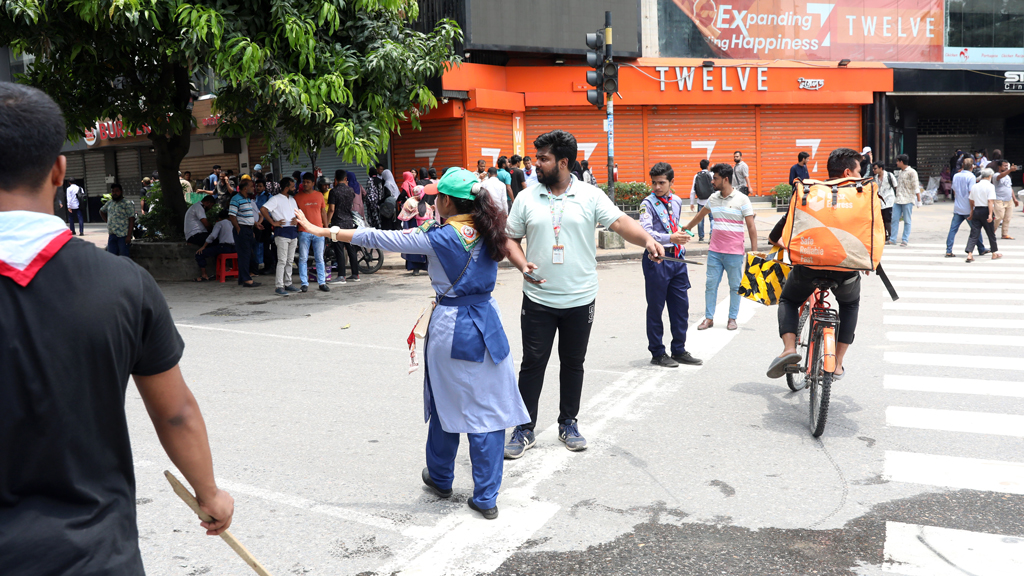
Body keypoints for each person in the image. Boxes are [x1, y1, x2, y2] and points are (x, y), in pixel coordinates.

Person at [0, 80, 233, 575]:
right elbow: (175, 413)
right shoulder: (124, 285)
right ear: (60, 170)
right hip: (94, 555)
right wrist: (209, 494)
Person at [294, 167, 529, 520]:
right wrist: (525, 266)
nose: (433, 202)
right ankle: (486, 496)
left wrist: (322, 230)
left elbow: (378, 238)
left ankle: (440, 476)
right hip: (489, 324)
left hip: (453, 327)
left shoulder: (439, 237)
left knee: (446, 403)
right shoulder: (488, 227)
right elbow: (510, 244)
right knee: (490, 411)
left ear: (447, 200)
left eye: (437, 198)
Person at [503, 130, 665, 458]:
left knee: (573, 362)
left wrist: (647, 239)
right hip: (538, 299)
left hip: (580, 298)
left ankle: (568, 422)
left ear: (563, 162)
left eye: (543, 158)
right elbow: (510, 238)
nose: (536, 164)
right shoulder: (526, 198)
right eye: (537, 158)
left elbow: (620, 223)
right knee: (533, 362)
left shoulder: (590, 196)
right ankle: (523, 428)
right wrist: (521, 264)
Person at [767, 148, 866, 381]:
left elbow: (774, 236)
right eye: (859, 171)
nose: (861, 176)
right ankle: (838, 363)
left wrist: (791, 247)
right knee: (850, 306)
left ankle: (789, 349)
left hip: (809, 269)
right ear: (847, 172)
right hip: (846, 272)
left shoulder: (808, 194)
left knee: (789, 300)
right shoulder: (861, 198)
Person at [639, 162, 702, 368]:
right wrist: (670, 238)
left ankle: (679, 350)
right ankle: (657, 352)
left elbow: (674, 224)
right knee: (656, 308)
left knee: (680, 308)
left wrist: (680, 236)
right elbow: (646, 233)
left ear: (671, 182)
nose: (657, 187)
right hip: (657, 259)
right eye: (654, 183)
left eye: (662, 183)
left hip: (678, 260)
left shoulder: (676, 200)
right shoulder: (647, 204)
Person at [682, 163, 756, 331]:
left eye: (715, 178)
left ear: (725, 179)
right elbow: (700, 216)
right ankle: (709, 318)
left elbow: (751, 227)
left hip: (735, 253)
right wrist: (687, 228)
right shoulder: (713, 198)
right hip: (715, 251)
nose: (712, 182)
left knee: (735, 287)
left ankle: (732, 318)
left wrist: (754, 252)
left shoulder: (742, 199)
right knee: (711, 285)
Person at [261, 177, 301, 296]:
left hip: (293, 231)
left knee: (289, 260)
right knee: (282, 261)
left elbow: (297, 213)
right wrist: (273, 222)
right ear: (287, 188)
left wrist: (297, 220)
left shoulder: (292, 199)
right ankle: (279, 286)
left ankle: (288, 283)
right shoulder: (275, 199)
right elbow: (263, 209)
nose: (295, 188)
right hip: (282, 232)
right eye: (293, 186)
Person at [296, 172, 329, 292]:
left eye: (307, 182)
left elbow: (323, 212)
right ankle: (304, 283)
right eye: (303, 182)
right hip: (303, 231)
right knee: (303, 258)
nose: (305, 184)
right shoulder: (297, 197)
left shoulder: (319, 195)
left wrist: (326, 229)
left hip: (319, 231)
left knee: (319, 258)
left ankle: (322, 283)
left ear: (313, 183)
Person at [947, 157, 986, 257]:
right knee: (975, 229)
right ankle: (981, 249)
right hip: (968, 209)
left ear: (963, 166)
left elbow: (954, 191)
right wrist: (973, 209)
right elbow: (971, 194)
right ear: (972, 166)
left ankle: (949, 250)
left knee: (953, 230)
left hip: (958, 208)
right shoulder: (971, 177)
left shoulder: (956, 176)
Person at [228, 178, 263, 288]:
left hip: (248, 229)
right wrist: (238, 228)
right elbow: (232, 215)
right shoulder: (236, 199)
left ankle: (243, 278)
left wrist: (254, 225)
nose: (254, 188)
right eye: (252, 187)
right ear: (245, 188)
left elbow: (247, 216)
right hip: (242, 229)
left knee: (248, 254)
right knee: (244, 255)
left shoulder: (247, 199)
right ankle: (247, 279)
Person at [327, 176, 360, 283]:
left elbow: (331, 209)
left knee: (339, 250)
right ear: (345, 179)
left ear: (336, 179)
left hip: (338, 223)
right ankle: (355, 274)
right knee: (351, 249)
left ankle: (341, 276)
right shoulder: (350, 190)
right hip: (349, 223)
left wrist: (327, 223)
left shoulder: (334, 191)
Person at [966, 168, 1002, 262]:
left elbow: (971, 200)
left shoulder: (975, 186)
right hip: (986, 210)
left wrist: (971, 211)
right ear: (990, 176)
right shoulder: (990, 186)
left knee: (974, 233)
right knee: (990, 233)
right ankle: (994, 253)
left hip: (977, 210)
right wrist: (990, 214)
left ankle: (970, 254)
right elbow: (990, 201)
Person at [397, 186, 433, 275]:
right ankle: (417, 268)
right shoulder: (415, 203)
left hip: (418, 230)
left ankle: (418, 268)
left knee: (417, 248)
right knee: (417, 248)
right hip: (415, 229)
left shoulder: (410, 202)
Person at [193, 212, 236, 282]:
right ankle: (226, 268)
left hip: (224, 247)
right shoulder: (234, 223)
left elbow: (213, 236)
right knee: (217, 251)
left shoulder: (220, 223)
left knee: (199, 254)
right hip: (235, 248)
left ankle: (204, 275)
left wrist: (204, 246)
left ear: (219, 218)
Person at [99, 183, 135, 257]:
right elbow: (102, 211)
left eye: (116, 191)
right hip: (112, 235)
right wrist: (107, 221)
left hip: (123, 235)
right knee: (111, 257)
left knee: (123, 257)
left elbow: (131, 219)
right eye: (113, 191)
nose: (114, 193)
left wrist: (129, 236)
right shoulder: (110, 203)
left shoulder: (127, 203)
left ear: (121, 192)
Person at [891, 154, 920, 247]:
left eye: (897, 161)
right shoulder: (900, 172)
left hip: (908, 199)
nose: (896, 163)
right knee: (894, 219)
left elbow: (916, 186)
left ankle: (905, 239)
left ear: (901, 162)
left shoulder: (912, 172)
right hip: (898, 199)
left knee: (907, 220)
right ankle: (893, 239)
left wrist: (919, 200)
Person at [689, 159, 715, 242]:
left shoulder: (696, 176)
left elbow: (693, 190)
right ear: (708, 166)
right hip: (711, 201)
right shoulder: (712, 174)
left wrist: (691, 203)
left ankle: (701, 237)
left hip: (700, 201)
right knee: (712, 218)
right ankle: (712, 234)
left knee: (700, 218)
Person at [992, 160, 1019, 240]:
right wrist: (1010, 170)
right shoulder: (996, 175)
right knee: (998, 217)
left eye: (1007, 166)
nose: (1006, 167)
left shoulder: (1008, 177)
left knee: (1007, 218)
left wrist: (1014, 199)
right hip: (999, 199)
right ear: (999, 167)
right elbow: (1000, 176)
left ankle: (1004, 234)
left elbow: (1010, 188)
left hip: (1009, 200)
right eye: (1004, 166)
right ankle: (992, 231)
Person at [872, 162, 897, 241]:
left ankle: (891, 235)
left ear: (881, 168)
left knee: (888, 218)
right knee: (881, 219)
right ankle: (884, 235)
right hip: (880, 201)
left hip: (889, 200)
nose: (873, 170)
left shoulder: (889, 175)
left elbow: (896, 186)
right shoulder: (875, 177)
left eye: (875, 168)